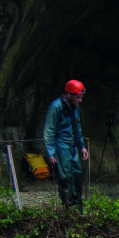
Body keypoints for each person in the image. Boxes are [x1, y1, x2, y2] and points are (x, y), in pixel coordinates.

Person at [43, 79, 89, 209]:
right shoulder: (56, 106)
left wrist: (82, 146)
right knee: (66, 176)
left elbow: (77, 126)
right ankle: (67, 208)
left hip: (73, 144)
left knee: (77, 175)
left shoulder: (74, 107)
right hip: (61, 144)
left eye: (81, 97)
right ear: (69, 94)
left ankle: (78, 207)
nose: (80, 100)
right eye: (78, 97)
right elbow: (49, 130)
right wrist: (51, 152)